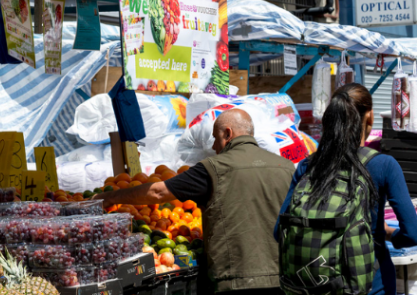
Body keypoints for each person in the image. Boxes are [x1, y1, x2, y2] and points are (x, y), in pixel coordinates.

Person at [93, 109, 295, 294]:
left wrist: (109, 197)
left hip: (234, 280)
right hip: (282, 277)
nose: (215, 147)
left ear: (227, 133)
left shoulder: (214, 168)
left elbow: (157, 193)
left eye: (216, 139)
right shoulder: (286, 167)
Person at [274, 83, 417, 295]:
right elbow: (412, 234)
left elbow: (279, 230)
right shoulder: (383, 165)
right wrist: (389, 234)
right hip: (370, 284)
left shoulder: (308, 165)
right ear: (370, 117)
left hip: (308, 286)